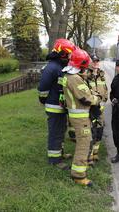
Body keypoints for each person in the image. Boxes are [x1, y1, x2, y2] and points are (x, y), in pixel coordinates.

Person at [60, 49, 101, 186]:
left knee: (84, 141)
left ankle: (81, 168)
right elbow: (86, 98)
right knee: (83, 143)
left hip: (78, 116)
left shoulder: (70, 75)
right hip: (80, 117)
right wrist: (97, 98)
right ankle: (78, 176)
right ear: (82, 63)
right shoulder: (74, 78)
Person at [38, 38, 76, 170]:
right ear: (62, 53)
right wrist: (44, 100)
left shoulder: (59, 66)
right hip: (54, 107)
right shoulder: (52, 67)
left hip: (60, 106)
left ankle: (60, 154)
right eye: (69, 53)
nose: (71, 56)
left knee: (61, 131)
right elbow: (42, 88)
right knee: (55, 133)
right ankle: (55, 160)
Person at [87, 54, 108, 165]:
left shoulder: (102, 76)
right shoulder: (86, 75)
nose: (95, 63)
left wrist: (103, 102)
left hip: (100, 110)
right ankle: (89, 155)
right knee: (91, 132)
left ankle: (95, 152)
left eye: (97, 61)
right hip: (90, 109)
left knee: (99, 130)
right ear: (90, 62)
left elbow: (105, 91)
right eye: (93, 61)